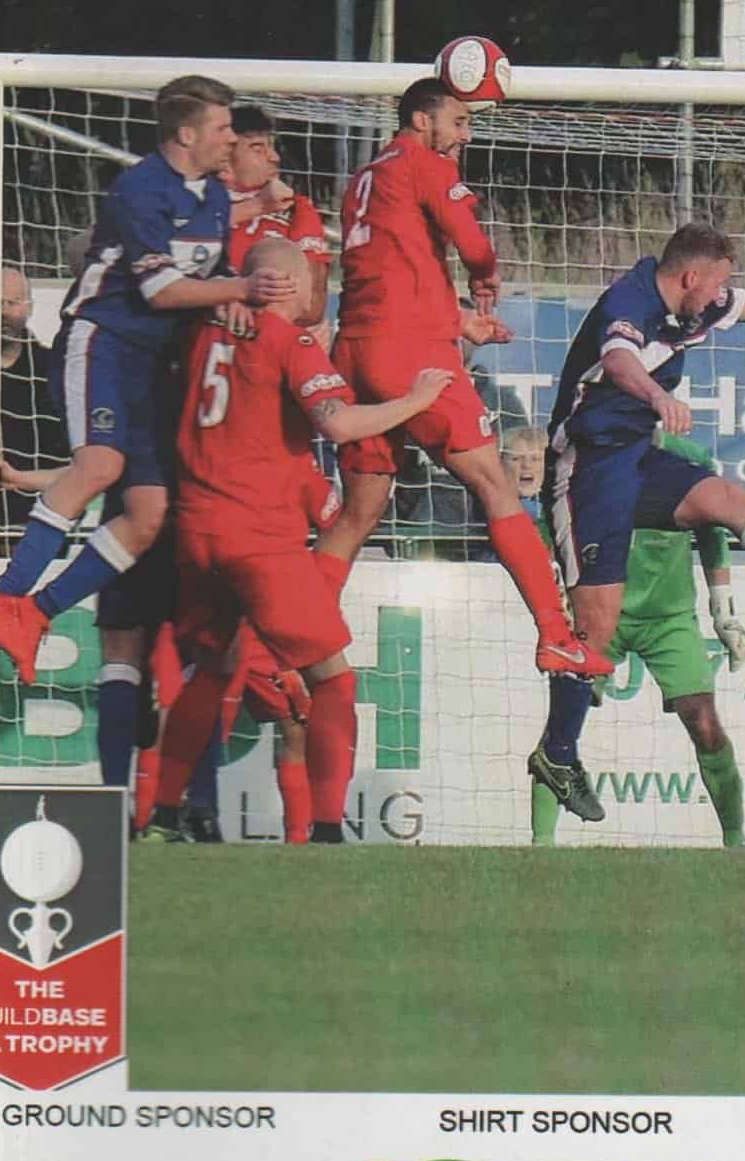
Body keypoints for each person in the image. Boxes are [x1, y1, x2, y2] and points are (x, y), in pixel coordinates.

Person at [144, 238, 453, 847]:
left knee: (212, 670)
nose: (320, 286)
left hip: (196, 532)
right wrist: (415, 400)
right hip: (258, 539)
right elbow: (339, 422)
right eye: (313, 277)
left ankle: (161, 813)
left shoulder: (203, 332)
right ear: (290, 284)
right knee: (333, 680)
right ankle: (328, 826)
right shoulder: (289, 342)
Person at [0, 76, 288, 683]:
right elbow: (160, 289)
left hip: (152, 364)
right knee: (99, 466)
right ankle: (7, 592)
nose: (231, 139)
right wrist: (241, 287)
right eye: (223, 128)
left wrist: (233, 299)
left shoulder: (213, 196)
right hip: (103, 344)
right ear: (187, 134)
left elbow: (209, 273)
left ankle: (36, 612)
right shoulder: (140, 188)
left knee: (148, 513)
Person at [531, 223, 745, 822]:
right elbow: (619, 358)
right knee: (595, 628)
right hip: (587, 469)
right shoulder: (630, 302)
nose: (723, 294)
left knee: (724, 499)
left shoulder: (696, 300)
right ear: (691, 276)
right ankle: (558, 753)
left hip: (637, 459)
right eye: (718, 283)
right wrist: (658, 397)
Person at [316, 76, 604, 677]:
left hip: (355, 348)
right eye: (459, 122)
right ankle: (555, 634)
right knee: (497, 485)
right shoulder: (425, 163)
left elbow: (393, 269)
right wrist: (484, 275)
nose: (464, 136)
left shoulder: (365, 177)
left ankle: (295, 635)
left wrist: (457, 320)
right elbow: (473, 244)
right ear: (423, 120)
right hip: (411, 356)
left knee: (359, 512)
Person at [523, 430, 745, 845]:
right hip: (596, 614)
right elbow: (551, 527)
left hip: (668, 619)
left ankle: (736, 840)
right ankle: (540, 845)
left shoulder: (687, 458)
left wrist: (723, 611)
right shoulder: (584, 456)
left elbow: (711, 531)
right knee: (563, 725)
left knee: (705, 724)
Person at [225, 102, 331, 327]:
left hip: (267, 338)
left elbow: (311, 307)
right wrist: (256, 206)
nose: (274, 157)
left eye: (272, 147)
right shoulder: (195, 204)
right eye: (257, 148)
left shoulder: (295, 209)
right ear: (224, 156)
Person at [0, 265, 69, 546]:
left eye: (12, 302)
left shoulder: (53, 370)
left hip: (39, 525)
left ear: (29, 307)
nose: (3, 311)